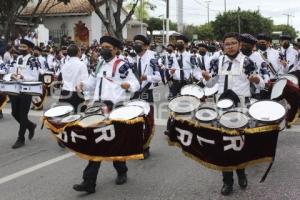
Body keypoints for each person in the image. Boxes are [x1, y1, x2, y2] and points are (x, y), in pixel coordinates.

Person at [73, 36, 140, 194]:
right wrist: (83, 85)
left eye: (107, 47)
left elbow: (136, 83)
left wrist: (128, 85)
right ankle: (89, 181)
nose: (103, 49)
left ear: (116, 49)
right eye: (102, 46)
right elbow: (92, 83)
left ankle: (121, 170)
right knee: (97, 142)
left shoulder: (122, 65)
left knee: (113, 142)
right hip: (98, 107)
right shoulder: (100, 64)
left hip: (115, 108)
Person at [202, 32, 265, 196]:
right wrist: (207, 78)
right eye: (227, 43)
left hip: (240, 108)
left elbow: (261, 85)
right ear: (223, 45)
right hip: (221, 107)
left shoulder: (248, 62)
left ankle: (242, 173)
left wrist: (256, 80)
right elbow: (210, 84)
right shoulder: (217, 61)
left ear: (239, 44)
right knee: (223, 144)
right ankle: (227, 181)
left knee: (240, 142)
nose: (230, 46)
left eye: (233, 43)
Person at [131, 34, 161, 158]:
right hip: (134, 92)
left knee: (147, 121)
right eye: (135, 43)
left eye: (139, 43)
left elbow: (159, 77)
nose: (136, 45)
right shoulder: (135, 58)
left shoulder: (152, 58)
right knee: (134, 120)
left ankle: (145, 146)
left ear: (146, 46)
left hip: (146, 92)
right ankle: (136, 145)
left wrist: (146, 77)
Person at [8, 39, 40, 149]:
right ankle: (30, 125)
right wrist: (11, 75)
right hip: (15, 89)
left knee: (22, 114)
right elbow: (11, 71)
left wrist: (23, 77)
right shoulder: (17, 58)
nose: (21, 49)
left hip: (26, 90)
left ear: (30, 49)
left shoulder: (33, 60)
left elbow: (35, 77)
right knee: (14, 113)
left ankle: (20, 138)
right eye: (20, 46)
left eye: (24, 47)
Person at [59, 44, 88, 113]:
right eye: (80, 51)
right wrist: (87, 96)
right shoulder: (81, 64)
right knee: (77, 117)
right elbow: (85, 81)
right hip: (76, 94)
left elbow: (63, 78)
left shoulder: (65, 64)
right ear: (78, 52)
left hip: (65, 92)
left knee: (65, 117)